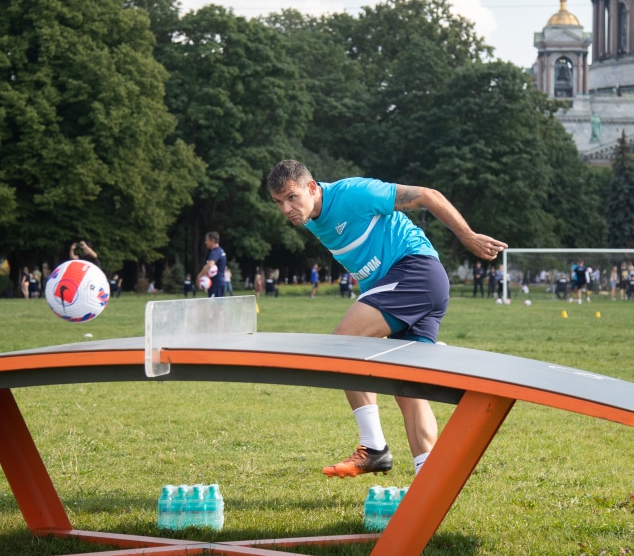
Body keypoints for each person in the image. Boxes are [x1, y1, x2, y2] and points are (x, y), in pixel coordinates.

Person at [267, 159, 507, 478]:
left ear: (312, 188)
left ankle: (374, 447)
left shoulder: (354, 193)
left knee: (343, 344)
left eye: (291, 197)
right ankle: (428, 480)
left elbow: (427, 195)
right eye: (279, 202)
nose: (286, 209)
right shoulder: (311, 217)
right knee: (407, 387)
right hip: (412, 285)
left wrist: (468, 236)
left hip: (415, 273)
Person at [196, 232, 227, 299]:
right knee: (217, 307)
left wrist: (199, 275)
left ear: (212, 241)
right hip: (219, 282)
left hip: (216, 284)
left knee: (214, 307)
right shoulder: (220, 251)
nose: (205, 242)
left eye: (207, 240)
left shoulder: (215, 252)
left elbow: (210, 265)